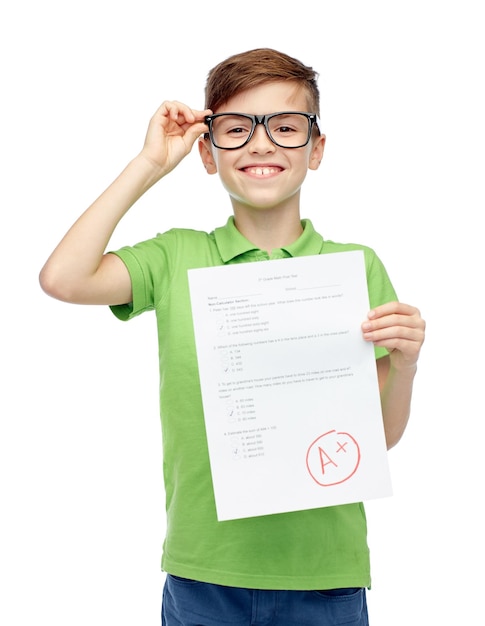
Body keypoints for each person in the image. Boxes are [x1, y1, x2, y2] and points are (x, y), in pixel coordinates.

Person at [39, 48, 425, 625]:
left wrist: (408, 364)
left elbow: (381, 435)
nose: (262, 144)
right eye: (238, 128)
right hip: (205, 574)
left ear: (316, 149)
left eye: (287, 127)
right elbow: (63, 278)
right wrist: (148, 162)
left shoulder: (355, 267)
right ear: (207, 150)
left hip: (324, 576)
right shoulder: (177, 257)